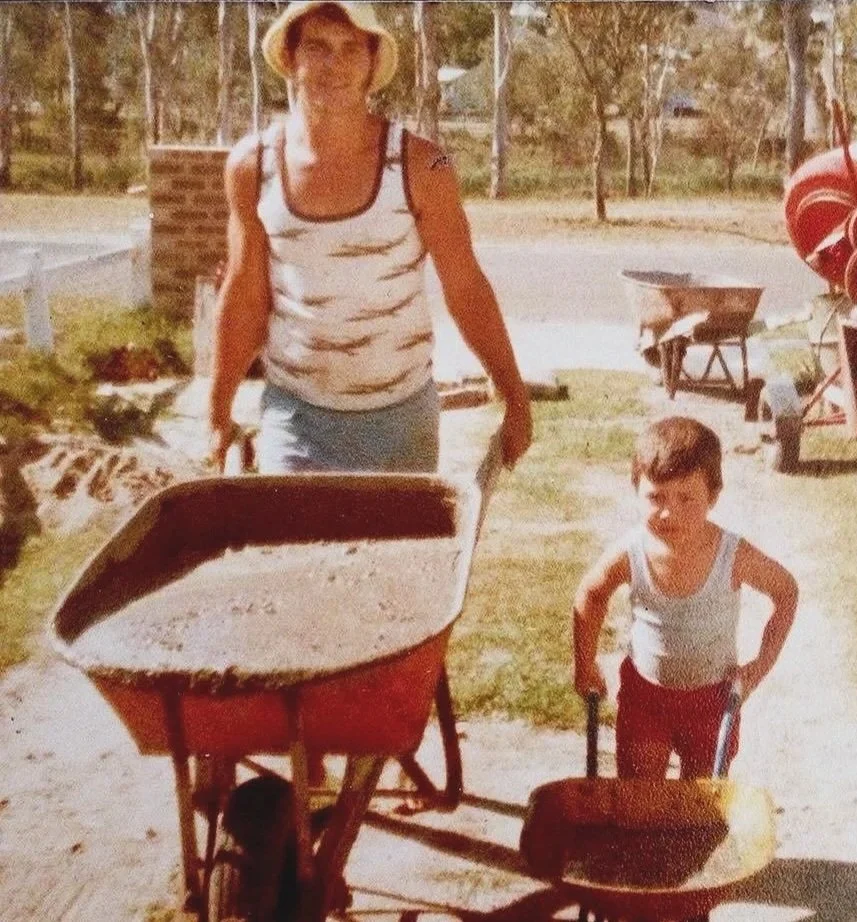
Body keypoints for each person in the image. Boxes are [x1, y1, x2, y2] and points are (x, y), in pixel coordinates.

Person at [208, 0, 532, 474]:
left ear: (371, 63)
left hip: (402, 422)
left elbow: (465, 286)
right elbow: (243, 294)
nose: (334, 64)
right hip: (296, 419)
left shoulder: (429, 163)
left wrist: (514, 396)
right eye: (317, 47)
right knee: (296, 547)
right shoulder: (249, 166)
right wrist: (218, 411)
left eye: (350, 48)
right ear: (291, 59)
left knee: (396, 550)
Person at [573, 416, 798, 781]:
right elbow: (591, 594)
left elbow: (785, 592)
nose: (668, 512)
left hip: (711, 702)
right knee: (640, 799)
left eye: (686, 497)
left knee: (699, 806)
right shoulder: (632, 552)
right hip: (645, 699)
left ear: (713, 497)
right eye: (655, 496)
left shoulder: (733, 555)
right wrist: (584, 664)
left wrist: (760, 666)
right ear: (636, 491)